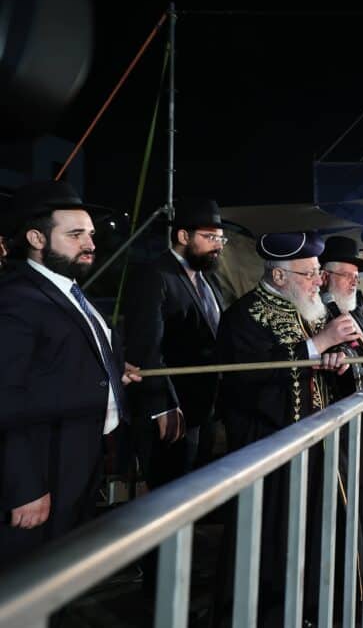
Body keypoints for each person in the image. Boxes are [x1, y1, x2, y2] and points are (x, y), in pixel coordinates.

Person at [215, 231, 359, 626]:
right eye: (310, 273)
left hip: (316, 446)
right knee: (273, 545)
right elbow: (248, 384)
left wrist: (338, 359)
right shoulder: (243, 317)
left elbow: (328, 358)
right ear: (280, 277)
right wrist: (317, 346)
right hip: (270, 451)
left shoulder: (307, 308)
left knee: (317, 540)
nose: (318, 281)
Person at [0, 181, 141, 567]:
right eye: (75, 234)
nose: (90, 244)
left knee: (62, 574)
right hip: (42, 468)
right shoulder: (16, 299)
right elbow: (4, 394)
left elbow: (60, 358)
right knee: (28, 583)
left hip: (80, 459)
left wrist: (113, 372)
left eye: (91, 234)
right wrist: (24, 486)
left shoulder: (69, 291)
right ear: (36, 238)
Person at [123, 198, 226, 489]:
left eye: (220, 239)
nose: (218, 245)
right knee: (170, 495)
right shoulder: (155, 276)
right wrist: (162, 407)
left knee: (198, 492)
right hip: (172, 411)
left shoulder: (210, 281)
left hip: (205, 409)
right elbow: (146, 347)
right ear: (183, 236)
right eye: (209, 237)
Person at [320, 235, 363, 397]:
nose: (354, 282)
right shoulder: (314, 311)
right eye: (346, 275)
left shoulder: (357, 300)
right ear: (324, 276)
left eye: (356, 277)